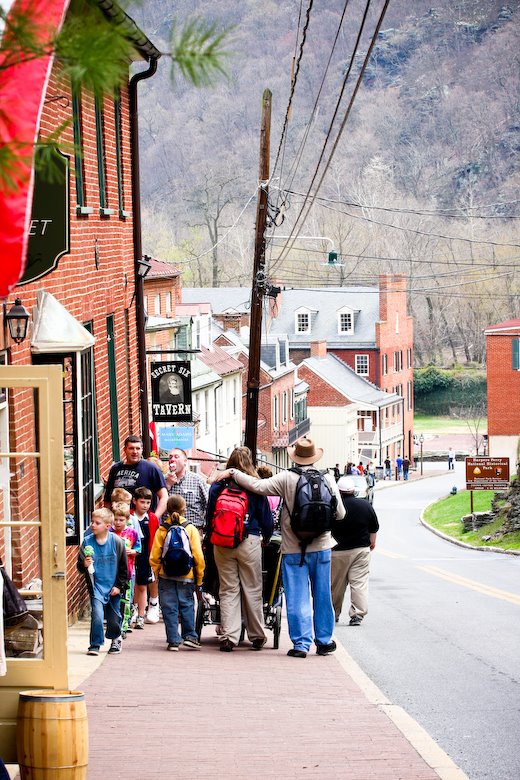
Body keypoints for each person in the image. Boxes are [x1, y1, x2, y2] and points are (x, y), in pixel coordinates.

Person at [215, 437, 345, 659]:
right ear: (314, 457)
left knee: (297, 596)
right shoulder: (328, 478)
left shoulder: (287, 478)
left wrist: (234, 473)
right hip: (322, 547)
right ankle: (324, 641)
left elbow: (258, 486)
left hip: (294, 548)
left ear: (296, 457)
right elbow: (341, 513)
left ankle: (301, 644)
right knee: (323, 594)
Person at [207, 447, 273, 652]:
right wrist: (267, 536)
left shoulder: (218, 486)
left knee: (228, 589)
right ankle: (257, 635)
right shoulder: (255, 486)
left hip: (222, 542)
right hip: (249, 540)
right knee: (252, 588)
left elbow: (210, 515)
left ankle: (229, 636)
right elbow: (266, 518)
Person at [150, 494, 205, 651]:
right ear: (184, 510)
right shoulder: (191, 529)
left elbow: (154, 556)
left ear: (167, 510)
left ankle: (174, 641)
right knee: (187, 605)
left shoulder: (162, 529)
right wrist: (199, 577)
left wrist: (156, 573)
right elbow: (198, 557)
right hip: (186, 575)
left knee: (169, 607)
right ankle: (190, 636)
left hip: (165, 575)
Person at [77, 508, 128, 656]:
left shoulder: (117, 542)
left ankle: (115, 638)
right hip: (96, 587)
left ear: (107, 526)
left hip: (113, 587)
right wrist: (84, 565)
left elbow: (124, 568)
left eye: (97, 523)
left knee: (113, 618)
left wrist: (119, 586)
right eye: (92, 522)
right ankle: (95, 644)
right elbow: (79, 567)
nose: (93, 525)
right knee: (97, 616)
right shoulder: (87, 542)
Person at [331, 477, 379, 626]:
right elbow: (374, 527)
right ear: (353, 491)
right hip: (361, 550)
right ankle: (357, 614)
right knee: (359, 583)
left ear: (338, 491)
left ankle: (333, 613)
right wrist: (372, 542)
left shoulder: (334, 507)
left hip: (337, 551)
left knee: (336, 585)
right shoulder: (365, 505)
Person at [104, 435, 167, 519]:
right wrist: (108, 519)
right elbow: (108, 499)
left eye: (138, 448)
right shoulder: (115, 469)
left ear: (142, 450)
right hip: (119, 522)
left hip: (144, 521)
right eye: (131, 448)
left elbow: (164, 496)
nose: (135, 452)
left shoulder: (151, 468)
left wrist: (154, 518)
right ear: (125, 450)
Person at [111, 502, 141, 638]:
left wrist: (133, 551)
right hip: (111, 572)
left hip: (128, 572)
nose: (118, 522)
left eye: (121, 520)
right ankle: (114, 625)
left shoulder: (132, 533)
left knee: (126, 600)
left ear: (127, 520)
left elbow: (139, 549)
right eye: (115, 519)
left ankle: (124, 625)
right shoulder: (109, 533)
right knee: (113, 600)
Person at [131, 486, 160, 628]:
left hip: (145, 557)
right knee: (131, 585)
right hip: (130, 556)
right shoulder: (129, 516)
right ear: (134, 501)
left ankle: (141, 615)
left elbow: (155, 539)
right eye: (142, 502)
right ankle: (133, 609)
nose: (145, 506)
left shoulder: (152, 518)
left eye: (148, 503)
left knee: (142, 585)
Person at [166, 448, 209, 535]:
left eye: (176, 457)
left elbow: (208, 504)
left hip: (193, 531)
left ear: (185, 461)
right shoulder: (163, 479)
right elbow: (157, 504)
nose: (172, 459)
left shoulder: (197, 480)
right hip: (170, 532)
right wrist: (168, 485)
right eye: (170, 457)